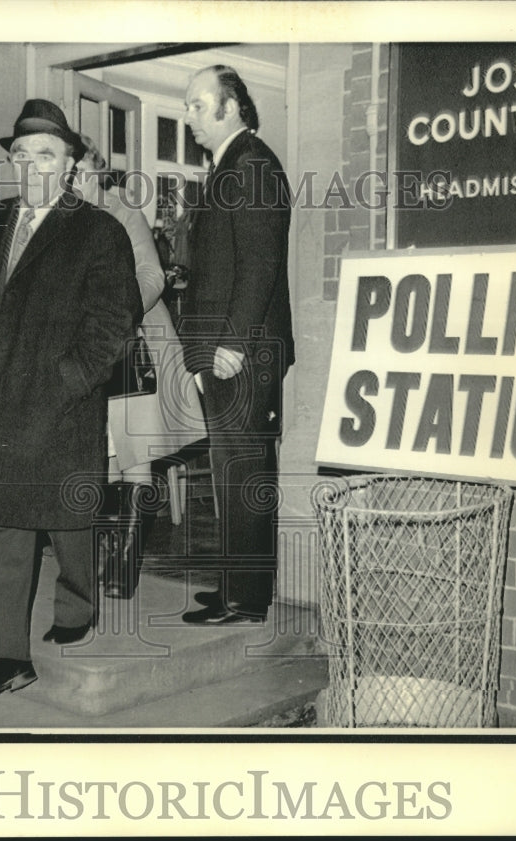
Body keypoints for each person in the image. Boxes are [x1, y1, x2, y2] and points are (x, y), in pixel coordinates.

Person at [0, 100, 142, 709]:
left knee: (66, 518)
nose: (31, 166)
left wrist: (65, 382)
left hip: (60, 404)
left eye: (46, 155)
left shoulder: (97, 230)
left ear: (70, 164)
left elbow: (113, 322)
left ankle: (78, 603)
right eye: (22, 155)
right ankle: (6, 659)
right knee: (7, 526)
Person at [177, 65, 294, 625]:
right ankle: (235, 585)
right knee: (232, 471)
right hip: (225, 351)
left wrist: (233, 345)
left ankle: (244, 599)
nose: (189, 116)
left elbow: (260, 266)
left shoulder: (252, 165)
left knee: (243, 472)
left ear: (231, 108)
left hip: (240, 354)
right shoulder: (230, 166)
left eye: (198, 105)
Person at [73, 136, 206, 600]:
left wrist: (115, 313)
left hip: (136, 344)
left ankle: (124, 567)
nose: (77, 181)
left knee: (136, 455)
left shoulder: (122, 212)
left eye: (86, 173)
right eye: (72, 174)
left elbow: (150, 275)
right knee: (98, 454)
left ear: (99, 171)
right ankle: (91, 560)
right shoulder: (61, 216)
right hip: (85, 350)